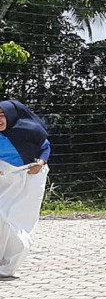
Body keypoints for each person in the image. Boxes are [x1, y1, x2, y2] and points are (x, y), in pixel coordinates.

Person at [0, 100, 50, 277]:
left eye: (2, 115)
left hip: (29, 177)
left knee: (16, 220)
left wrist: (40, 163)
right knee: (1, 217)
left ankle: (10, 266)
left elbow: (45, 148)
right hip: (4, 178)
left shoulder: (29, 131)